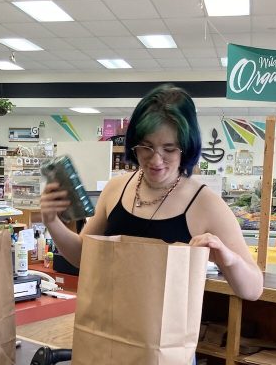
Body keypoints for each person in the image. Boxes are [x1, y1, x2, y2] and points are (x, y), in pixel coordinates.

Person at [40, 84, 263, 301]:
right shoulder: (116, 189)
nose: (156, 160)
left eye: (169, 149)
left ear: (187, 147)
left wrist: (229, 259)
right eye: (146, 147)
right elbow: (84, 256)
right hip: (106, 327)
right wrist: (52, 222)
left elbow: (253, 289)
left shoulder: (206, 204)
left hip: (164, 335)